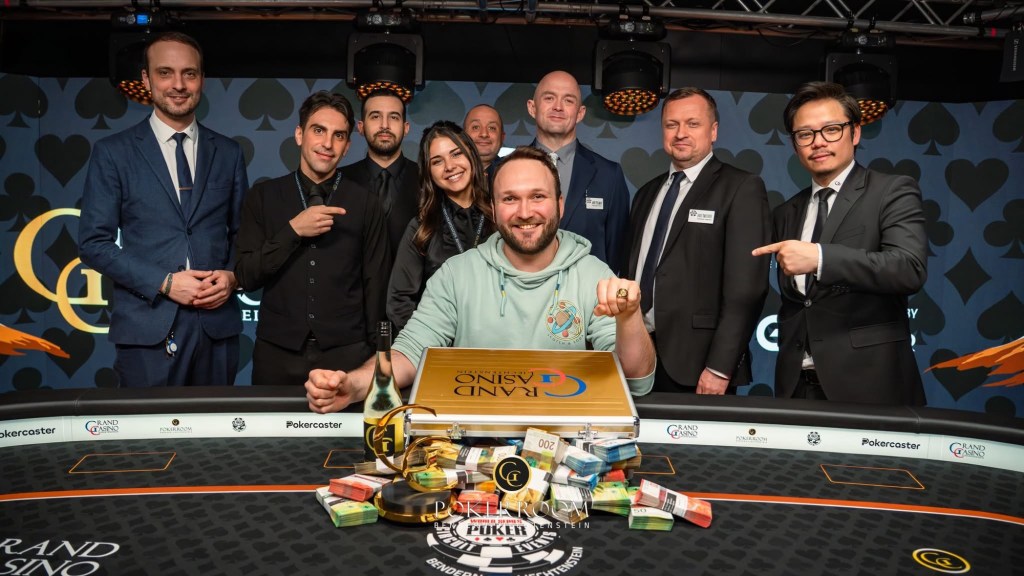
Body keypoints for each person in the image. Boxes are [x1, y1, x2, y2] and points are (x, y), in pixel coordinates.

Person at [306, 146, 655, 413]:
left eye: (538, 196)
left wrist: (629, 317)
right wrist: (354, 384)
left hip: (563, 441)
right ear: (494, 207)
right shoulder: (456, 274)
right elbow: (409, 353)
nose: (525, 212)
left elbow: (636, 379)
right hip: (473, 444)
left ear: (560, 205)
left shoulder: (593, 274)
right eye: (510, 199)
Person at [79, 31, 247, 387]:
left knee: (214, 426)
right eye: (165, 72)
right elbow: (94, 244)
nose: (178, 85)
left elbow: (243, 233)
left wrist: (232, 276)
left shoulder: (229, 152)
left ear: (202, 79)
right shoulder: (113, 152)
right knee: (149, 427)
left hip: (217, 329)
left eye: (189, 73)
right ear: (146, 79)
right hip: (146, 330)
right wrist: (166, 283)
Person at [752, 81, 927, 405]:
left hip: (871, 385)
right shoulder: (786, 212)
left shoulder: (892, 191)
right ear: (794, 144)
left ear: (855, 133)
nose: (818, 142)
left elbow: (908, 268)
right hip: (797, 387)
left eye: (831, 130)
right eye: (805, 134)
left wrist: (820, 258)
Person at [234, 91, 390, 385]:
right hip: (276, 354)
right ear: (299, 135)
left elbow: (376, 283)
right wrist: (292, 231)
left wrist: (376, 355)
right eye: (318, 130)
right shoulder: (263, 196)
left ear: (347, 146)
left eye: (338, 135)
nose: (327, 143)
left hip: (347, 353)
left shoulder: (366, 203)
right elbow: (246, 275)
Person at [625, 88, 770, 394]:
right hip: (638, 356)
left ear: (713, 131)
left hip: (700, 365)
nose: (681, 133)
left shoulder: (741, 187)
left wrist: (720, 366)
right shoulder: (646, 193)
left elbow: (747, 290)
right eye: (671, 124)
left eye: (693, 124)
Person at [387, 121, 494, 332]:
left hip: (496, 342)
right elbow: (399, 301)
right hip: (440, 344)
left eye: (456, 154)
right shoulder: (421, 227)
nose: (449, 166)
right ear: (429, 172)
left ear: (471, 155)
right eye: (437, 161)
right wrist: (428, 342)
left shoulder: (500, 215)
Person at [526, 70, 629, 272]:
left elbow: (618, 254)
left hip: (587, 290)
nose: (558, 106)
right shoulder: (503, 170)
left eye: (568, 100)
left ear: (580, 113)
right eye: (549, 98)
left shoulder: (609, 175)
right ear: (532, 107)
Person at [339, 89, 419, 263]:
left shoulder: (428, 178)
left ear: (406, 128)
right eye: (375, 116)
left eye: (394, 117)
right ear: (361, 127)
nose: (385, 125)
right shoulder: (339, 180)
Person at [463, 104, 505, 179]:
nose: (484, 134)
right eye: (476, 127)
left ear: (502, 137)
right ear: (463, 136)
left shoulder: (513, 170)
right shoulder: (450, 170)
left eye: (492, 128)